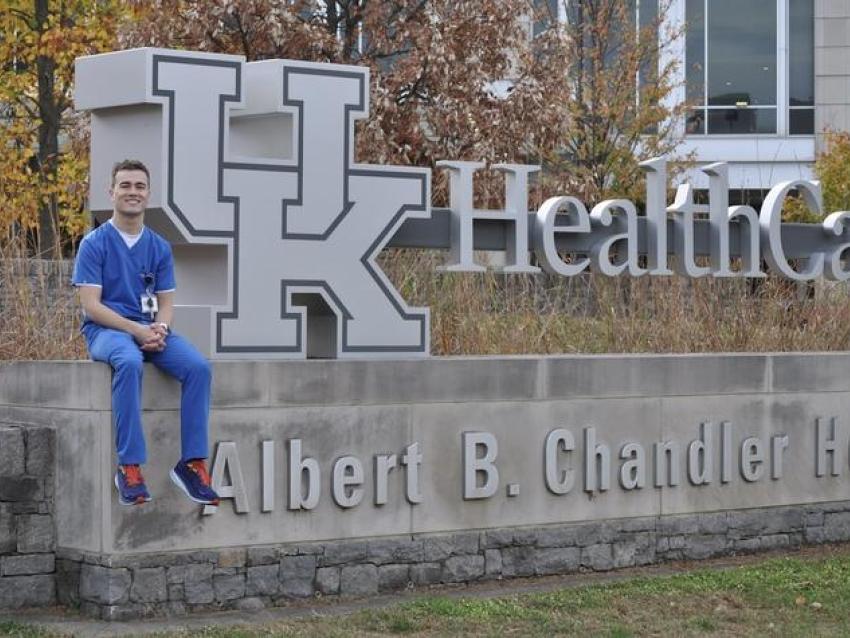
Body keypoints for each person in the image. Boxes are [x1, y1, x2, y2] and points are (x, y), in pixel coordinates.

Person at [72, 159, 219, 507]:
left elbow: (167, 302)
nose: (132, 192)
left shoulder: (159, 247)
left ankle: (192, 463)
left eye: (139, 186)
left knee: (198, 368)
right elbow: (91, 305)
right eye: (125, 185)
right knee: (128, 361)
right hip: (108, 330)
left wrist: (161, 328)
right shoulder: (94, 244)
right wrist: (136, 331)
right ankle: (130, 468)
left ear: (148, 194)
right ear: (111, 192)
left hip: (149, 331)